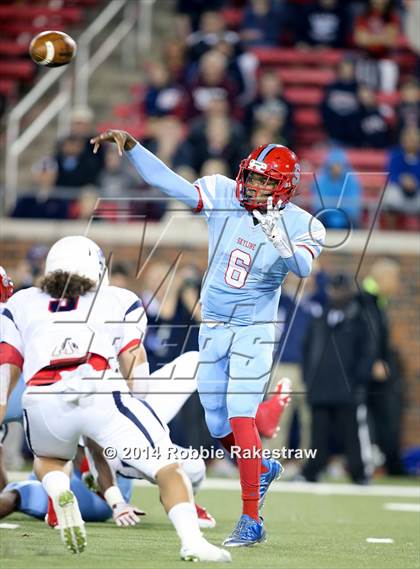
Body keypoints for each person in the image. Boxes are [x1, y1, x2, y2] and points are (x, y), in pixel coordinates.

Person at [90, 129, 326, 546]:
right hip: (214, 324)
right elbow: (171, 184)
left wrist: (276, 232)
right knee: (218, 423)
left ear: (285, 189)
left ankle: (251, 519)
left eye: (264, 181)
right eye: (251, 176)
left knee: (238, 414)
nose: (252, 186)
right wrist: (133, 148)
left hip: (253, 328)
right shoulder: (224, 193)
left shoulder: (304, 224)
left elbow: (302, 268)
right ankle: (263, 465)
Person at [0, 236, 231, 562]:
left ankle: (58, 491)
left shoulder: (22, 302)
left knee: (48, 460)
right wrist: (141, 413)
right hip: (99, 391)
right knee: (169, 468)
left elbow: (7, 369)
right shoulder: (118, 298)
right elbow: (134, 366)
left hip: (41, 397)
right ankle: (192, 541)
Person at [301, 273, 375, 484]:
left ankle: (358, 473)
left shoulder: (360, 319)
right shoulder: (320, 318)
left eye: (340, 289)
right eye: (333, 289)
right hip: (320, 385)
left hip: (347, 386)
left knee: (351, 432)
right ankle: (312, 471)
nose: (336, 293)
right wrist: (309, 377)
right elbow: (307, 349)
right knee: (318, 433)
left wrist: (358, 379)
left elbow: (368, 351)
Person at [358, 258, 405, 475]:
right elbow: (366, 336)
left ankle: (390, 463)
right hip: (367, 374)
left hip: (378, 372)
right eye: (395, 279)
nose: (397, 284)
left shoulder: (378, 302)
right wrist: (373, 362)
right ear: (383, 278)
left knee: (386, 418)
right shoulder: (364, 300)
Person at [311, 148, 362, 229]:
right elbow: (318, 205)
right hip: (325, 218)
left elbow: (354, 206)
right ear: (329, 165)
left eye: (339, 165)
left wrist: (336, 207)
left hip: (347, 218)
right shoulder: (321, 180)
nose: (336, 168)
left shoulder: (352, 180)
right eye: (333, 165)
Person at [382, 126, 420, 226]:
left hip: (417, 191)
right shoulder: (395, 155)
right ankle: (391, 233)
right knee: (390, 196)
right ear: (403, 141)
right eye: (408, 139)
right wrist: (402, 180)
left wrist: (415, 182)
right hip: (399, 189)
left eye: (414, 140)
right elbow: (390, 173)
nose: (411, 142)